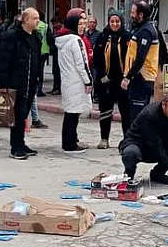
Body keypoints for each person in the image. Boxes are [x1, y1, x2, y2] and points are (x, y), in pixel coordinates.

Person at [0, 8, 43, 160]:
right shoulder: (12, 36)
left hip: (30, 83)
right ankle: (15, 147)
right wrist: (2, 83)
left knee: (24, 115)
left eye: (38, 18)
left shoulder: (36, 36)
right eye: (34, 18)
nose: (37, 21)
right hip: (15, 83)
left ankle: (21, 143)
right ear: (25, 20)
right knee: (17, 115)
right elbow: (3, 60)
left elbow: (37, 59)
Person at [56, 10, 93, 153]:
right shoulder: (76, 41)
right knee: (73, 115)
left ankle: (69, 142)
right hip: (76, 82)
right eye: (80, 23)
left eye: (84, 23)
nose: (83, 26)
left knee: (70, 114)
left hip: (67, 81)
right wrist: (89, 81)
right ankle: (70, 144)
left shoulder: (62, 40)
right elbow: (82, 64)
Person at [93, 12, 130, 148]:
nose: (115, 24)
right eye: (112, 21)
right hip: (105, 80)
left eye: (117, 21)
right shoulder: (102, 37)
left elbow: (131, 59)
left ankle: (128, 140)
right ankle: (104, 139)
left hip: (123, 81)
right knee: (105, 110)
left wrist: (127, 77)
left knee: (126, 112)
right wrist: (102, 76)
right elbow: (96, 58)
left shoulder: (127, 37)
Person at [122, 1, 161, 119]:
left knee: (137, 114)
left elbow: (140, 58)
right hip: (139, 77)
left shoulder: (146, 31)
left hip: (142, 77)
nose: (131, 15)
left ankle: (138, 137)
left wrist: (128, 77)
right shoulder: (141, 29)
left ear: (141, 15)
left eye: (133, 12)